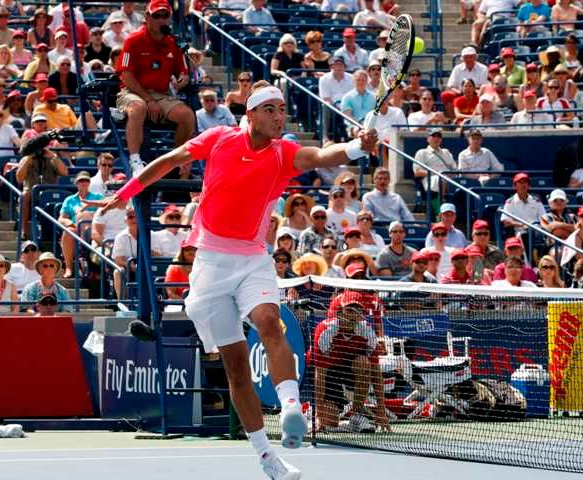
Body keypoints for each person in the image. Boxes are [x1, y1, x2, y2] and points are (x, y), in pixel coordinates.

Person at [99, 80, 379, 479]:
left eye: (283, 110)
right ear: (251, 115)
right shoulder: (218, 139)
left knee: (269, 321)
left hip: (252, 259)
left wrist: (353, 148)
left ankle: (291, 409)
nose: (279, 116)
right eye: (271, 110)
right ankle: (267, 457)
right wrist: (128, 191)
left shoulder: (283, 153)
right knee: (235, 368)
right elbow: (166, 161)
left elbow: (319, 155)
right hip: (211, 263)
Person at [117, 0, 194, 175]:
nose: (161, 20)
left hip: (161, 94)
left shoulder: (173, 43)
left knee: (187, 115)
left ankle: (174, 161)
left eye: (165, 16)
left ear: (170, 19)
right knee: (138, 108)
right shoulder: (133, 40)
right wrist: (149, 100)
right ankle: (135, 161)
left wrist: (184, 77)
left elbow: (182, 71)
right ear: (147, 17)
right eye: (156, 16)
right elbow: (126, 76)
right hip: (133, 92)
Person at [313, 291, 386, 432]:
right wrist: (320, 415)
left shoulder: (367, 333)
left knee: (364, 363)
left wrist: (381, 411)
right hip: (327, 372)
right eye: (349, 310)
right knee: (329, 423)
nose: (354, 315)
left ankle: (356, 415)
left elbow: (376, 373)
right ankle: (311, 412)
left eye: (358, 311)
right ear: (340, 313)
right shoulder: (325, 332)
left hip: (349, 369)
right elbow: (319, 375)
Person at [15, 142, 68, 239]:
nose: (39, 151)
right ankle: (24, 230)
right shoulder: (26, 159)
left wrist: (53, 156)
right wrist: (28, 159)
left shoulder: (52, 159)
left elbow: (65, 172)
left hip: (50, 190)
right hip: (31, 191)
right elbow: (19, 178)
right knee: (25, 196)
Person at [58, 171, 104, 278]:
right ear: (76, 183)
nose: (83, 183)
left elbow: (103, 214)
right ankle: (69, 267)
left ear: (89, 183)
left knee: (84, 215)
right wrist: (70, 223)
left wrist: (87, 215)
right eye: (81, 181)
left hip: (94, 228)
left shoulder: (98, 197)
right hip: (76, 229)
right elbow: (61, 219)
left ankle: (84, 252)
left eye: (86, 180)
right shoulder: (69, 200)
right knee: (68, 232)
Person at [319, 56, 353, 143]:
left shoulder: (352, 78)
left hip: (349, 106)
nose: (339, 67)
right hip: (332, 106)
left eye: (341, 65)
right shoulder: (324, 79)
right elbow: (326, 98)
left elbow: (354, 95)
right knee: (325, 105)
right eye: (336, 65)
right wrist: (337, 107)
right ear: (331, 67)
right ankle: (325, 136)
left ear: (345, 67)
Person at [413, 129, 457, 198]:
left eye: (439, 136)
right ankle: (442, 201)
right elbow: (418, 172)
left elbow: (454, 169)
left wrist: (451, 174)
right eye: (433, 136)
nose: (436, 138)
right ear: (428, 139)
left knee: (462, 181)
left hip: (449, 179)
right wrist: (437, 173)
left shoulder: (446, 152)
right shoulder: (422, 152)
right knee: (442, 178)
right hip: (431, 179)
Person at [501, 172, 546, 238]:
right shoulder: (510, 202)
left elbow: (543, 218)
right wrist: (521, 224)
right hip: (520, 232)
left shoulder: (536, 201)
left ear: (529, 185)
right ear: (515, 186)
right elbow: (506, 221)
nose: (523, 185)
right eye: (520, 182)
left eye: (525, 182)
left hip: (537, 231)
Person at [341, 70, 375, 138]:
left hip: (371, 124)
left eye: (363, 80)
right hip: (353, 125)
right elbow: (348, 117)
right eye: (358, 80)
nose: (360, 82)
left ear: (367, 81)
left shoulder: (374, 96)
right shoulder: (347, 97)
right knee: (358, 130)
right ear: (354, 81)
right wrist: (360, 125)